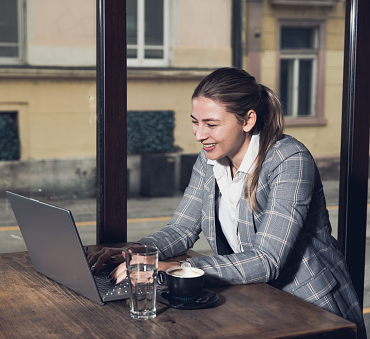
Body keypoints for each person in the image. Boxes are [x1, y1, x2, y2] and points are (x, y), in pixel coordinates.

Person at [88, 67, 366, 336]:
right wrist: (138, 252)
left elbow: (266, 260)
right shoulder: (209, 159)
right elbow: (182, 229)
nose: (199, 135)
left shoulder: (289, 159)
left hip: (314, 311)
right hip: (258, 302)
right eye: (195, 122)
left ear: (248, 120)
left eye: (211, 124)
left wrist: (176, 270)